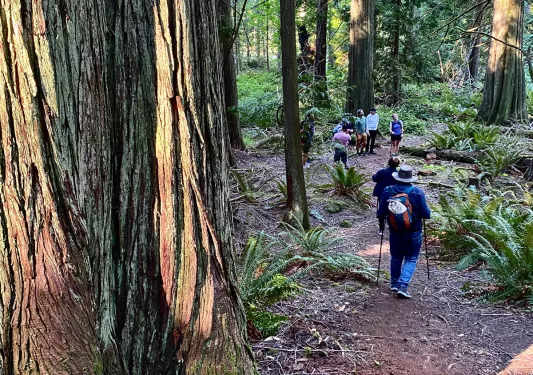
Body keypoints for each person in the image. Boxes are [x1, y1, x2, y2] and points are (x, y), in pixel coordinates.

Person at [377, 165, 431, 299]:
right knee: (411, 258)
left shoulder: (387, 190)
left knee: (396, 257)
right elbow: (426, 213)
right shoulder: (418, 192)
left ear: (398, 176)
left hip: (395, 230)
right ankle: (403, 286)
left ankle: (394, 283)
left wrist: (383, 223)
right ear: (410, 178)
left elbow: (380, 212)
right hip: (414, 231)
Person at [372, 157, 401, 234]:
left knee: (382, 209)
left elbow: (375, 179)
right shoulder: (398, 174)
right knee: (393, 209)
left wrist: (374, 175)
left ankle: (381, 229)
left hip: (381, 193)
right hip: (394, 194)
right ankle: (392, 225)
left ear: (388, 163)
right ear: (398, 165)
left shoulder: (382, 171)